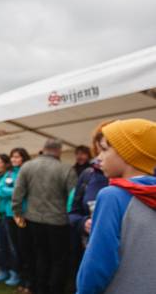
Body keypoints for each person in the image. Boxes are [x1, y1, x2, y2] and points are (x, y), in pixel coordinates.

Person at [76, 118, 156, 294]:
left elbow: (98, 263)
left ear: (128, 153)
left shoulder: (112, 195)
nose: (98, 157)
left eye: (104, 149)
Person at [12, 138, 77, 294]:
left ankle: (40, 289)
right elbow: (73, 197)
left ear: (44, 148)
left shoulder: (28, 166)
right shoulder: (66, 169)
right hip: (58, 221)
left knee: (39, 256)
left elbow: (18, 192)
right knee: (58, 260)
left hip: (33, 219)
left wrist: (18, 212)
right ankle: (54, 290)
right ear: (59, 151)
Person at [68, 121, 111, 291]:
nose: (101, 154)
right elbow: (74, 211)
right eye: (100, 147)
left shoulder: (140, 179)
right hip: (90, 246)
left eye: (107, 147)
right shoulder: (87, 175)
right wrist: (83, 222)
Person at [6, 148, 34, 293]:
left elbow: (28, 190)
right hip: (10, 215)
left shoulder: (27, 171)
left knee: (26, 249)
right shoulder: (9, 172)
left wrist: (13, 189)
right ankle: (22, 280)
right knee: (17, 249)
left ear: (23, 157)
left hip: (23, 215)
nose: (14, 159)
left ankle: (29, 282)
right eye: (12, 157)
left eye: (17, 157)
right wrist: (17, 189)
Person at [0, 154, 18, 285]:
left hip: (7, 214)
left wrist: (0, 191)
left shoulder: (12, 175)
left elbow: (14, 192)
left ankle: (15, 273)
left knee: (12, 246)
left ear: (6, 164)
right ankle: (3, 271)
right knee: (0, 246)